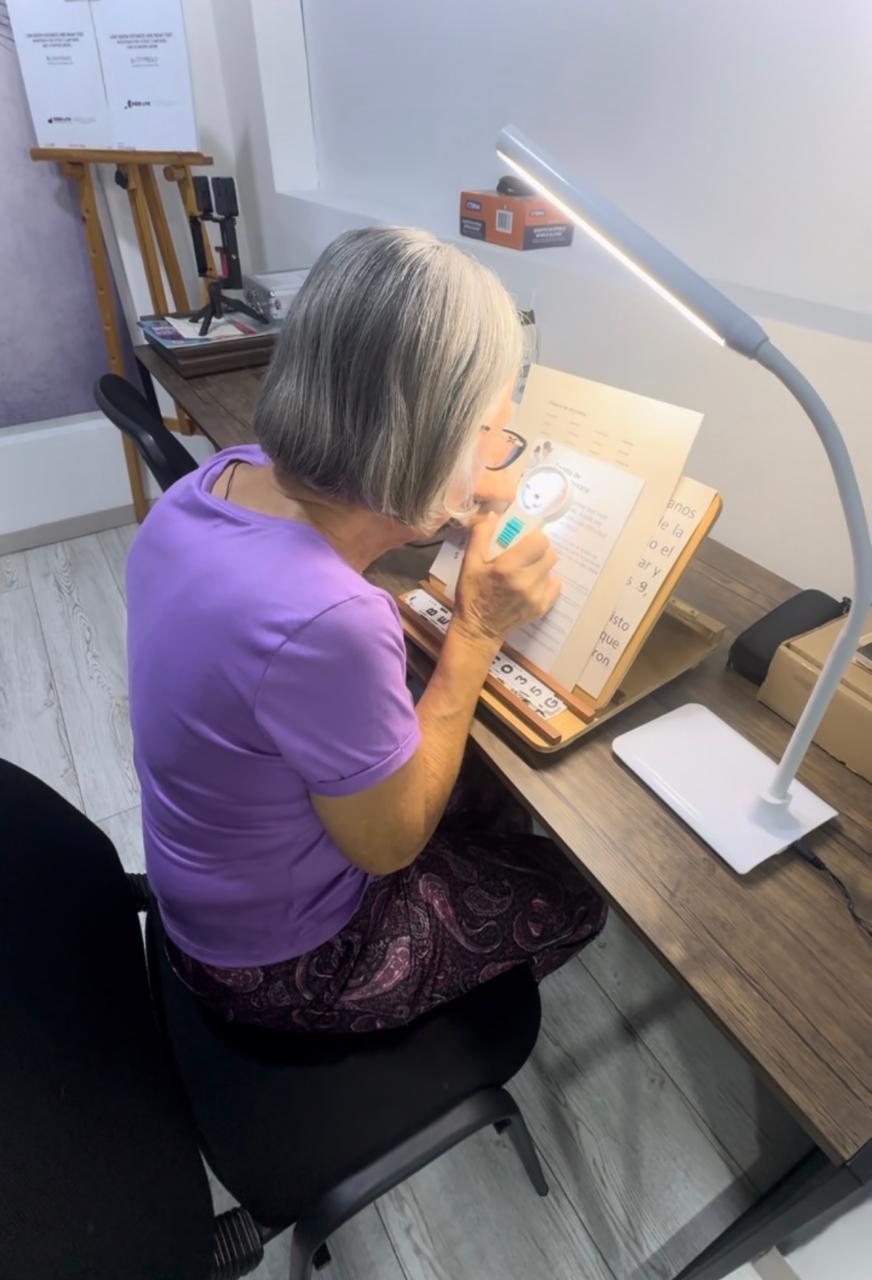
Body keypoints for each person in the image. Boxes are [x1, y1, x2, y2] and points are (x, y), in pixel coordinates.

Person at [127, 227, 606, 1034]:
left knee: (482, 789)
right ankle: (430, 1039)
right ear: (433, 443)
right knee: (574, 890)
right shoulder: (331, 622)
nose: (500, 455)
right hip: (280, 962)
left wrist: (434, 503)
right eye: (493, 433)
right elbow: (389, 848)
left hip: (204, 896)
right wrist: (478, 628)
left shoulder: (212, 482)